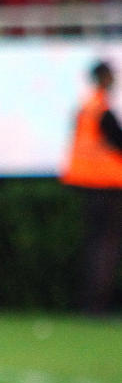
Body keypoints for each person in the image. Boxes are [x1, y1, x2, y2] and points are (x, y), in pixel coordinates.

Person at [61, 60, 122, 315]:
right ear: (104, 78)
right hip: (106, 185)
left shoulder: (85, 108)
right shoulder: (102, 111)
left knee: (95, 245)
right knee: (106, 247)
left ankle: (90, 302)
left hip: (86, 184)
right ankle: (98, 305)